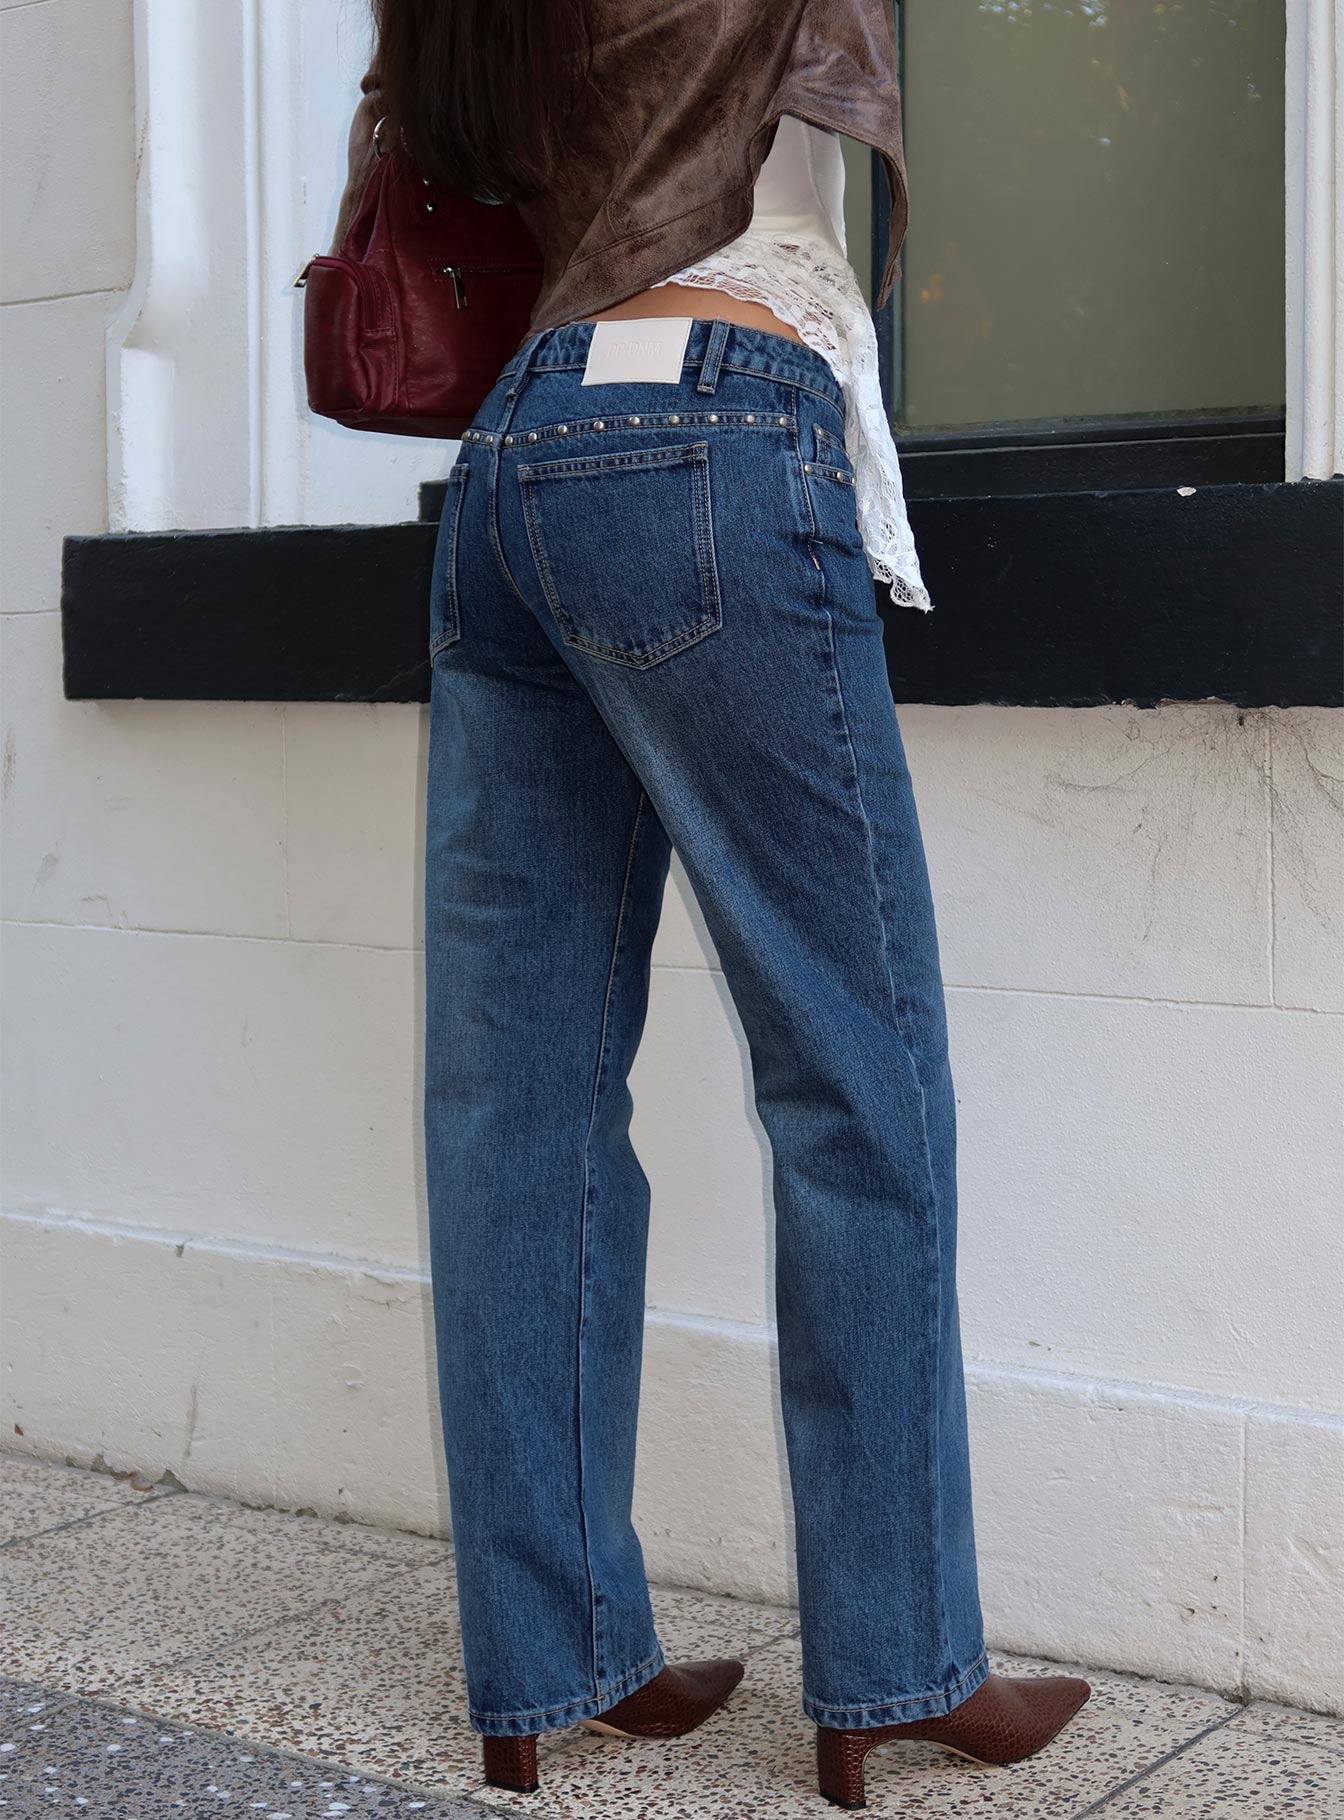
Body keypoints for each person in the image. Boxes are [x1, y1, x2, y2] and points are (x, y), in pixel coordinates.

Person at [343, 1, 1092, 1807]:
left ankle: (546, 1669)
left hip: (518, 465)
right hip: (710, 415)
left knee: (512, 1106)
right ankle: (896, 1670)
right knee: (861, 1078)